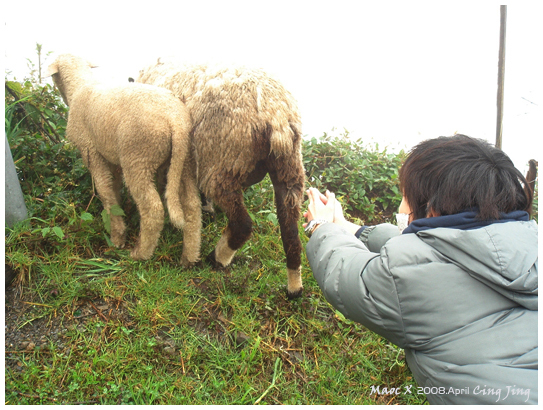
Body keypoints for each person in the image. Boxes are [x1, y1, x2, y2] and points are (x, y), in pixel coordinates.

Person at [304, 135, 537, 405]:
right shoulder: (525, 243)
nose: (401, 206)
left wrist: (321, 227)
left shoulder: (407, 278)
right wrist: (350, 228)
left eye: (405, 196)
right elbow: (435, 251)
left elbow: (346, 274)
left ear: (433, 212)